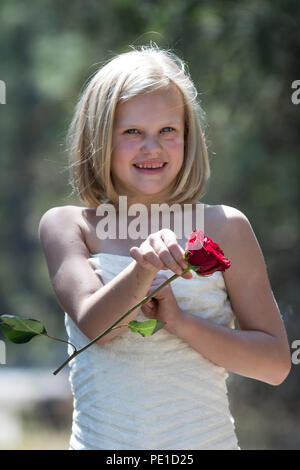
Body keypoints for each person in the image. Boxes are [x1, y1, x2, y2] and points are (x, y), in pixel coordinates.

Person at [38, 45, 291, 450]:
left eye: (167, 131)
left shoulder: (225, 225)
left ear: (188, 137)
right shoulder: (67, 225)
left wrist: (181, 322)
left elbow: (276, 365)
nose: (151, 148)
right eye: (132, 132)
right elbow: (96, 328)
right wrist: (143, 270)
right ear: (98, 138)